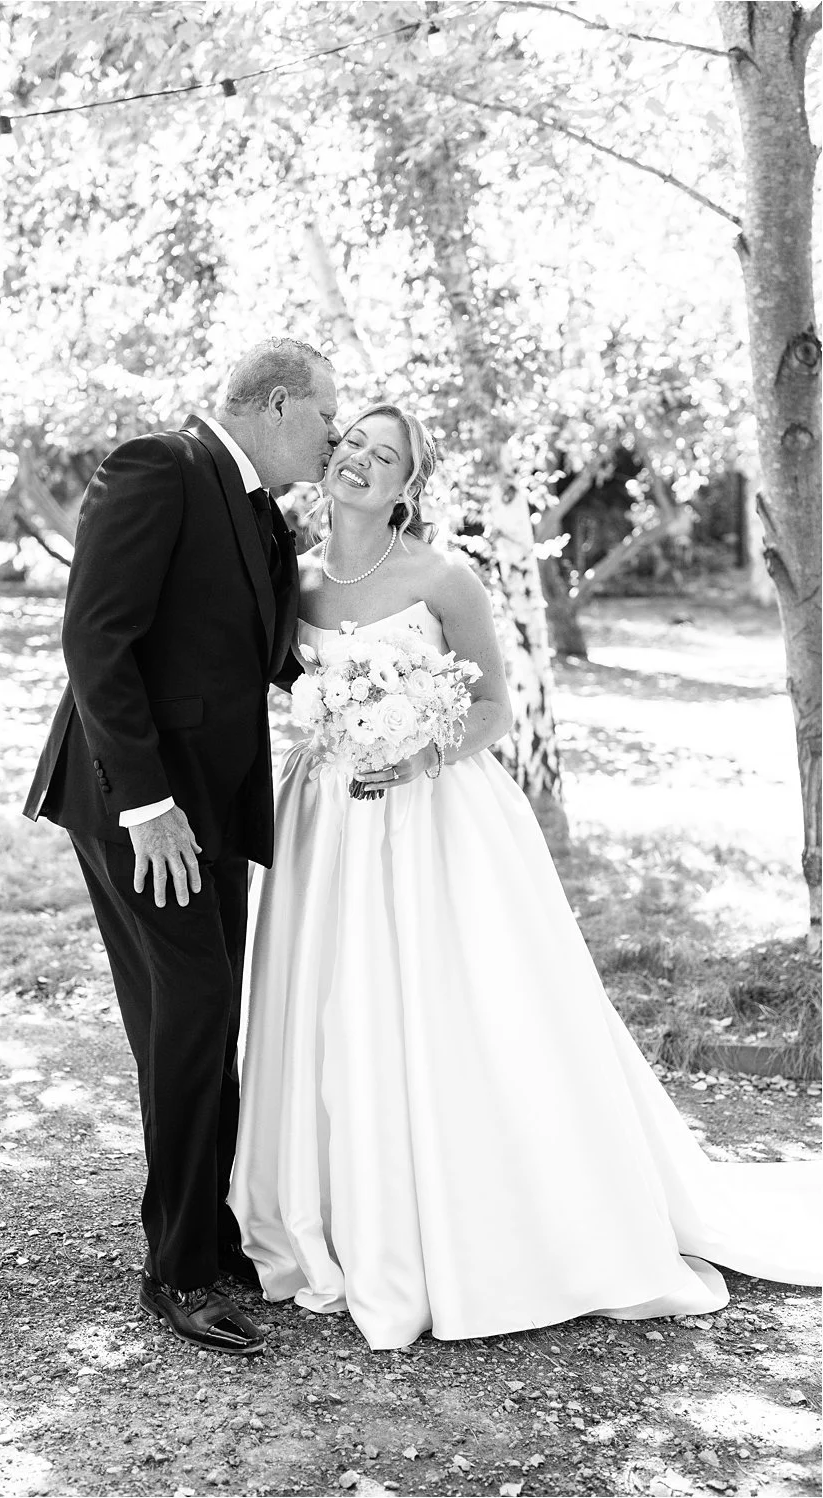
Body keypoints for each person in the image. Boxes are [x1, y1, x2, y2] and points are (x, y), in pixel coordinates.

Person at [231, 402, 823, 1349]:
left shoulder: (444, 577)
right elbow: (278, 679)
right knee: (329, 1003)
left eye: (385, 458)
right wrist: (332, 725)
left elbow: (497, 709)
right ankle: (336, 1210)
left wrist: (417, 751)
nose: (359, 462)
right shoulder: (289, 578)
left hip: (435, 816)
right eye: (352, 445)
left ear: (405, 488)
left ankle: (474, 1219)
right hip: (325, 818)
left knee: (452, 1004)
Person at [22, 338, 338, 1355]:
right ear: (278, 403)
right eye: (326, 415)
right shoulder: (157, 465)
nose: (332, 435)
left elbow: (257, 649)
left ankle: (212, 1231)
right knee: (190, 1005)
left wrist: (358, 689)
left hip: (214, 803)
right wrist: (145, 804)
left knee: (202, 1015)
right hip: (138, 800)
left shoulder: (257, 508)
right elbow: (94, 639)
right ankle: (177, 1271)